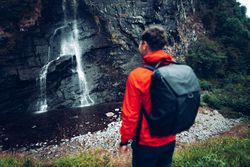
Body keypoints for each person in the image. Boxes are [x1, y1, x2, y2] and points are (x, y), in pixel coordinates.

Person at [119, 25, 176, 167]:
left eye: (140, 42)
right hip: (169, 139)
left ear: (144, 45)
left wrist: (124, 141)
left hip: (146, 143)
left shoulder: (137, 76)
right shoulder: (174, 69)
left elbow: (130, 114)